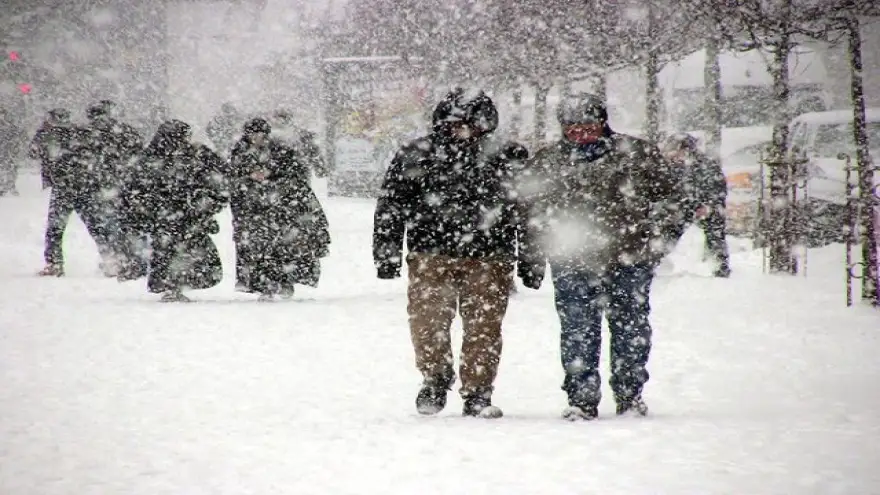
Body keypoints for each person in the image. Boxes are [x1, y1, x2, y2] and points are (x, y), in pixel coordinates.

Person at [373, 88, 543, 419]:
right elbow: (391, 206)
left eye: (470, 123)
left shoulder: (509, 156)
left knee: (484, 327)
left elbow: (529, 211)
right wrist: (387, 252)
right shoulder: (416, 154)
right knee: (427, 322)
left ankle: (478, 391)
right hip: (430, 253)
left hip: (490, 255)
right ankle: (435, 378)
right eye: (455, 123)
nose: (462, 130)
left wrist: (531, 260)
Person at [519, 93, 686, 421]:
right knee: (577, 328)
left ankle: (630, 394)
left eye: (589, 125)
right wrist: (533, 257)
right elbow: (530, 213)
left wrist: (658, 243)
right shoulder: (547, 161)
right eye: (573, 127)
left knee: (630, 327)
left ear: (602, 123)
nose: (581, 133)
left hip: (630, 257)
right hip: (571, 260)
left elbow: (673, 200)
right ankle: (581, 398)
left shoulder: (636, 154)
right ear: (563, 128)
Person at [117, 120, 227, 302]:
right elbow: (136, 189)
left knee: (175, 252)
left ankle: (173, 285)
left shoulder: (175, 156)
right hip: (176, 216)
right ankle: (174, 286)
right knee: (176, 252)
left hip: (178, 216)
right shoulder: (182, 156)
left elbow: (133, 189)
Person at [229, 117, 331, 300]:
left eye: (261, 135)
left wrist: (272, 174)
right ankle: (264, 285)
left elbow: (295, 173)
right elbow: (234, 178)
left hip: (280, 209)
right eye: (254, 135)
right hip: (254, 209)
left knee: (282, 248)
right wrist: (249, 177)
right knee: (257, 249)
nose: (257, 139)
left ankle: (284, 281)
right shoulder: (240, 152)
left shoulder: (280, 150)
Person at [36, 123, 117, 277]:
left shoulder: (61, 148)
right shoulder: (90, 150)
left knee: (56, 228)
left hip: (64, 191)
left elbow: (51, 167)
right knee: (96, 226)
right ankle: (111, 260)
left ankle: (54, 263)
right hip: (85, 190)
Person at [660, 133, 731, 278]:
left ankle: (720, 265)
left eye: (675, 149)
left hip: (705, 206)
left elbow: (718, 189)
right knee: (667, 231)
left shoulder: (706, 165)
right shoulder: (671, 167)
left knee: (715, 230)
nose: (673, 154)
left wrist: (708, 206)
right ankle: (658, 261)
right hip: (683, 207)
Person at [0, 107, 26, 196]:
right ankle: (5, 186)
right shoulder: (10, 126)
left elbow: (19, 134)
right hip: (7, 151)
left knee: (10, 169)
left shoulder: (10, 126)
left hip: (8, 151)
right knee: (8, 168)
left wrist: (16, 145)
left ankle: (9, 186)